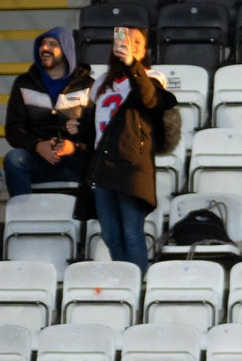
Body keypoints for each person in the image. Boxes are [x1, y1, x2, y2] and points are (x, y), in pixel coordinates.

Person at [76, 26, 177, 271]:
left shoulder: (151, 77)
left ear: (143, 51)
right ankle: (124, 278)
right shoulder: (101, 81)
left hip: (131, 164)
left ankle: (137, 284)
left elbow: (150, 99)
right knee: (110, 234)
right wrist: (77, 127)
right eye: (125, 41)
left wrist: (133, 66)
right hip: (102, 165)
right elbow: (95, 127)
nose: (129, 45)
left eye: (137, 43)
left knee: (131, 231)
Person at [2, 26, 93, 198]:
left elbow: (96, 131)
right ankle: (24, 219)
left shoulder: (88, 85)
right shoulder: (23, 82)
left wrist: (73, 147)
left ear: (66, 50)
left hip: (75, 162)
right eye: (42, 44)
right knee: (14, 159)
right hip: (37, 160)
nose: (45, 49)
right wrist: (37, 145)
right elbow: (13, 129)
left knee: (99, 163)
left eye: (52, 44)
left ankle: (85, 220)